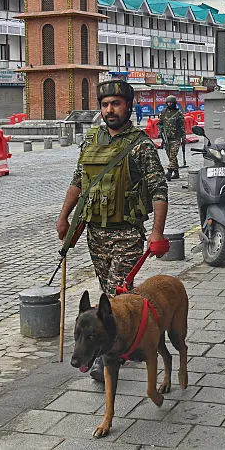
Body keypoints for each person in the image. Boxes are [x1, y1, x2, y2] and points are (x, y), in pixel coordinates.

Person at [56, 79, 169, 381]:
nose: (110, 110)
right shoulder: (92, 140)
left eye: (116, 104)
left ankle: (107, 357)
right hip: (96, 234)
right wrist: (64, 217)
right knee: (108, 292)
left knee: (116, 295)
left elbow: (159, 190)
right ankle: (120, 342)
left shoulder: (141, 145)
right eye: (105, 105)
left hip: (127, 234)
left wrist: (157, 232)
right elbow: (78, 181)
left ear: (128, 106)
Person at [159, 95, 185, 180]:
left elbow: (182, 127)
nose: (169, 104)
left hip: (176, 138)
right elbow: (160, 123)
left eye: (171, 102)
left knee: (173, 155)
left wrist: (183, 138)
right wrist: (161, 132)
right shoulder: (163, 112)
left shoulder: (179, 113)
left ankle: (169, 172)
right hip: (167, 139)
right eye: (168, 102)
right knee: (170, 156)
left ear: (174, 103)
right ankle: (176, 172)